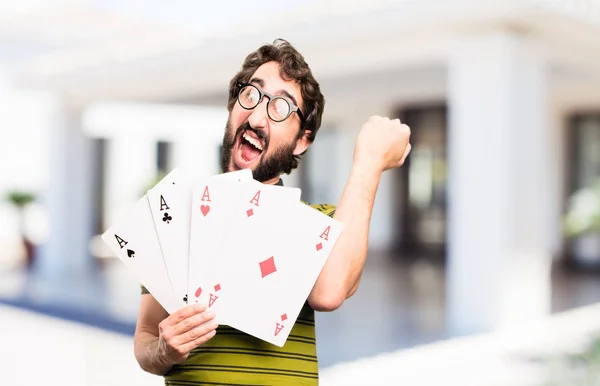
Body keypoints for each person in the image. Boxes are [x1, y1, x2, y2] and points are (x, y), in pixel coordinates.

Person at [133, 38, 412, 385]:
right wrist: (164, 350)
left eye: (280, 107)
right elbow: (145, 339)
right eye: (251, 95)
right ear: (234, 107)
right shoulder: (174, 219)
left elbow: (329, 292)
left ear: (302, 140)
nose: (259, 115)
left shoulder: (320, 225)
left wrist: (369, 162)